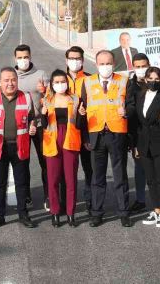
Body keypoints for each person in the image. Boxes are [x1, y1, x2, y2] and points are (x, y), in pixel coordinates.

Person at [78, 50, 131, 227]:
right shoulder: (88, 81)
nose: (105, 66)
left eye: (108, 63)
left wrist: (127, 113)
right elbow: (82, 109)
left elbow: (131, 106)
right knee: (97, 177)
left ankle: (124, 212)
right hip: (96, 134)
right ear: (96, 64)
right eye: (101, 63)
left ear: (114, 64)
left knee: (120, 175)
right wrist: (86, 136)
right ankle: (97, 213)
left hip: (117, 134)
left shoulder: (123, 81)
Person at [0, 67, 38, 228]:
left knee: (21, 182)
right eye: (6, 80)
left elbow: (32, 117)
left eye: (13, 79)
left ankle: (23, 214)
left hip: (20, 146)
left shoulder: (26, 97)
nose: (10, 83)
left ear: (17, 81)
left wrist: (33, 126)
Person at [130, 67, 160, 229]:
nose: (153, 82)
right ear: (146, 79)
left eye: (157, 79)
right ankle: (156, 209)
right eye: (150, 78)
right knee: (150, 179)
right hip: (144, 143)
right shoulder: (140, 95)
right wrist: (135, 145)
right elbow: (136, 122)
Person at [41, 70, 84, 227]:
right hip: (52, 140)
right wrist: (43, 115)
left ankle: (71, 213)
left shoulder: (75, 98)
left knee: (70, 179)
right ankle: (55, 212)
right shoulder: (47, 100)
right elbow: (44, 125)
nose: (60, 84)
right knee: (53, 179)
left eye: (63, 81)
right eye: (57, 82)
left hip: (70, 139)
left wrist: (81, 115)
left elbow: (78, 124)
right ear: (52, 84)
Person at [14, 44, 49, 210]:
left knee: (45, 162)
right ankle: (25, 195)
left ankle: (49, 195)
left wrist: (45, 91)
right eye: (20, 58)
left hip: (40, 125)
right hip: (21, 127)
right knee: (22, 162)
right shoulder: (12, 77)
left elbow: (51, 96)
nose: (23, 60)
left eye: (25, 57)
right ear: (15, 59)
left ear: (30, 56)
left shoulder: (41, 74)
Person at [65, 46, 93, 216]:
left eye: (78, 58)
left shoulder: (91, 80)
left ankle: (91, 202)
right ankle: (66, 204)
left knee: (90, 170)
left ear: (82, 60)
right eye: (71, 58)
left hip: (87, 132)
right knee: (67, 171)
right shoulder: (59, 81)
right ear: (66, 60)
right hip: (67, 134)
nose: (75, 61)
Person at [124, 53, 151, 213]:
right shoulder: (130, 86)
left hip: (156, 133)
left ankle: (159, 200)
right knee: (140, 167)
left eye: (144, 66)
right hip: (138, 134)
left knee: (156, 168)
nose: (141, 69)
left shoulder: (156, 82)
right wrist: (132, 141)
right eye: (138, 66)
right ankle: (140, 199)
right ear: (133, 67)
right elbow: (130, 113)